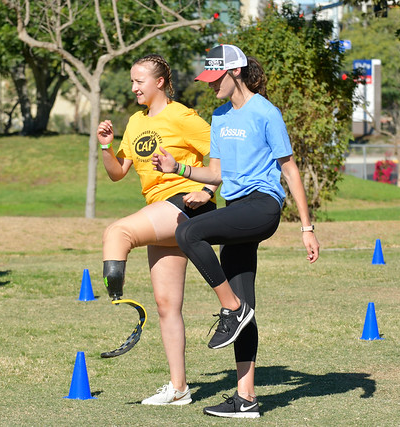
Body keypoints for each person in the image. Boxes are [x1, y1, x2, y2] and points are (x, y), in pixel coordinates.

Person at [152, 44, 320, 418]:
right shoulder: (220, 115)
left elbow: (289, 169)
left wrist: (307, 227)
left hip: (263, 207)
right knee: (246, 303)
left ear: (236, 73)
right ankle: (247, 398)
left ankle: (231, 307)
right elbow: (217, 173)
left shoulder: (265, 112)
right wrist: (177, 168)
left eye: (216, 79)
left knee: (188, 233)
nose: (211, 86)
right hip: (236, 208)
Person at [97, 54, 218, 405]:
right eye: (132, 82)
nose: (133, 87)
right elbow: (118, 172)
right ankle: (179, 389)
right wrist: (106, 145)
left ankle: (117, 299)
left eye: (139, 81)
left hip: (187, 205)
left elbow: (224, 154)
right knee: (167, 306)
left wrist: (207, 190)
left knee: (117, 233)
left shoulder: (182, 116)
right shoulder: (135, 122)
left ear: (160, 82)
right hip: (160, 212)